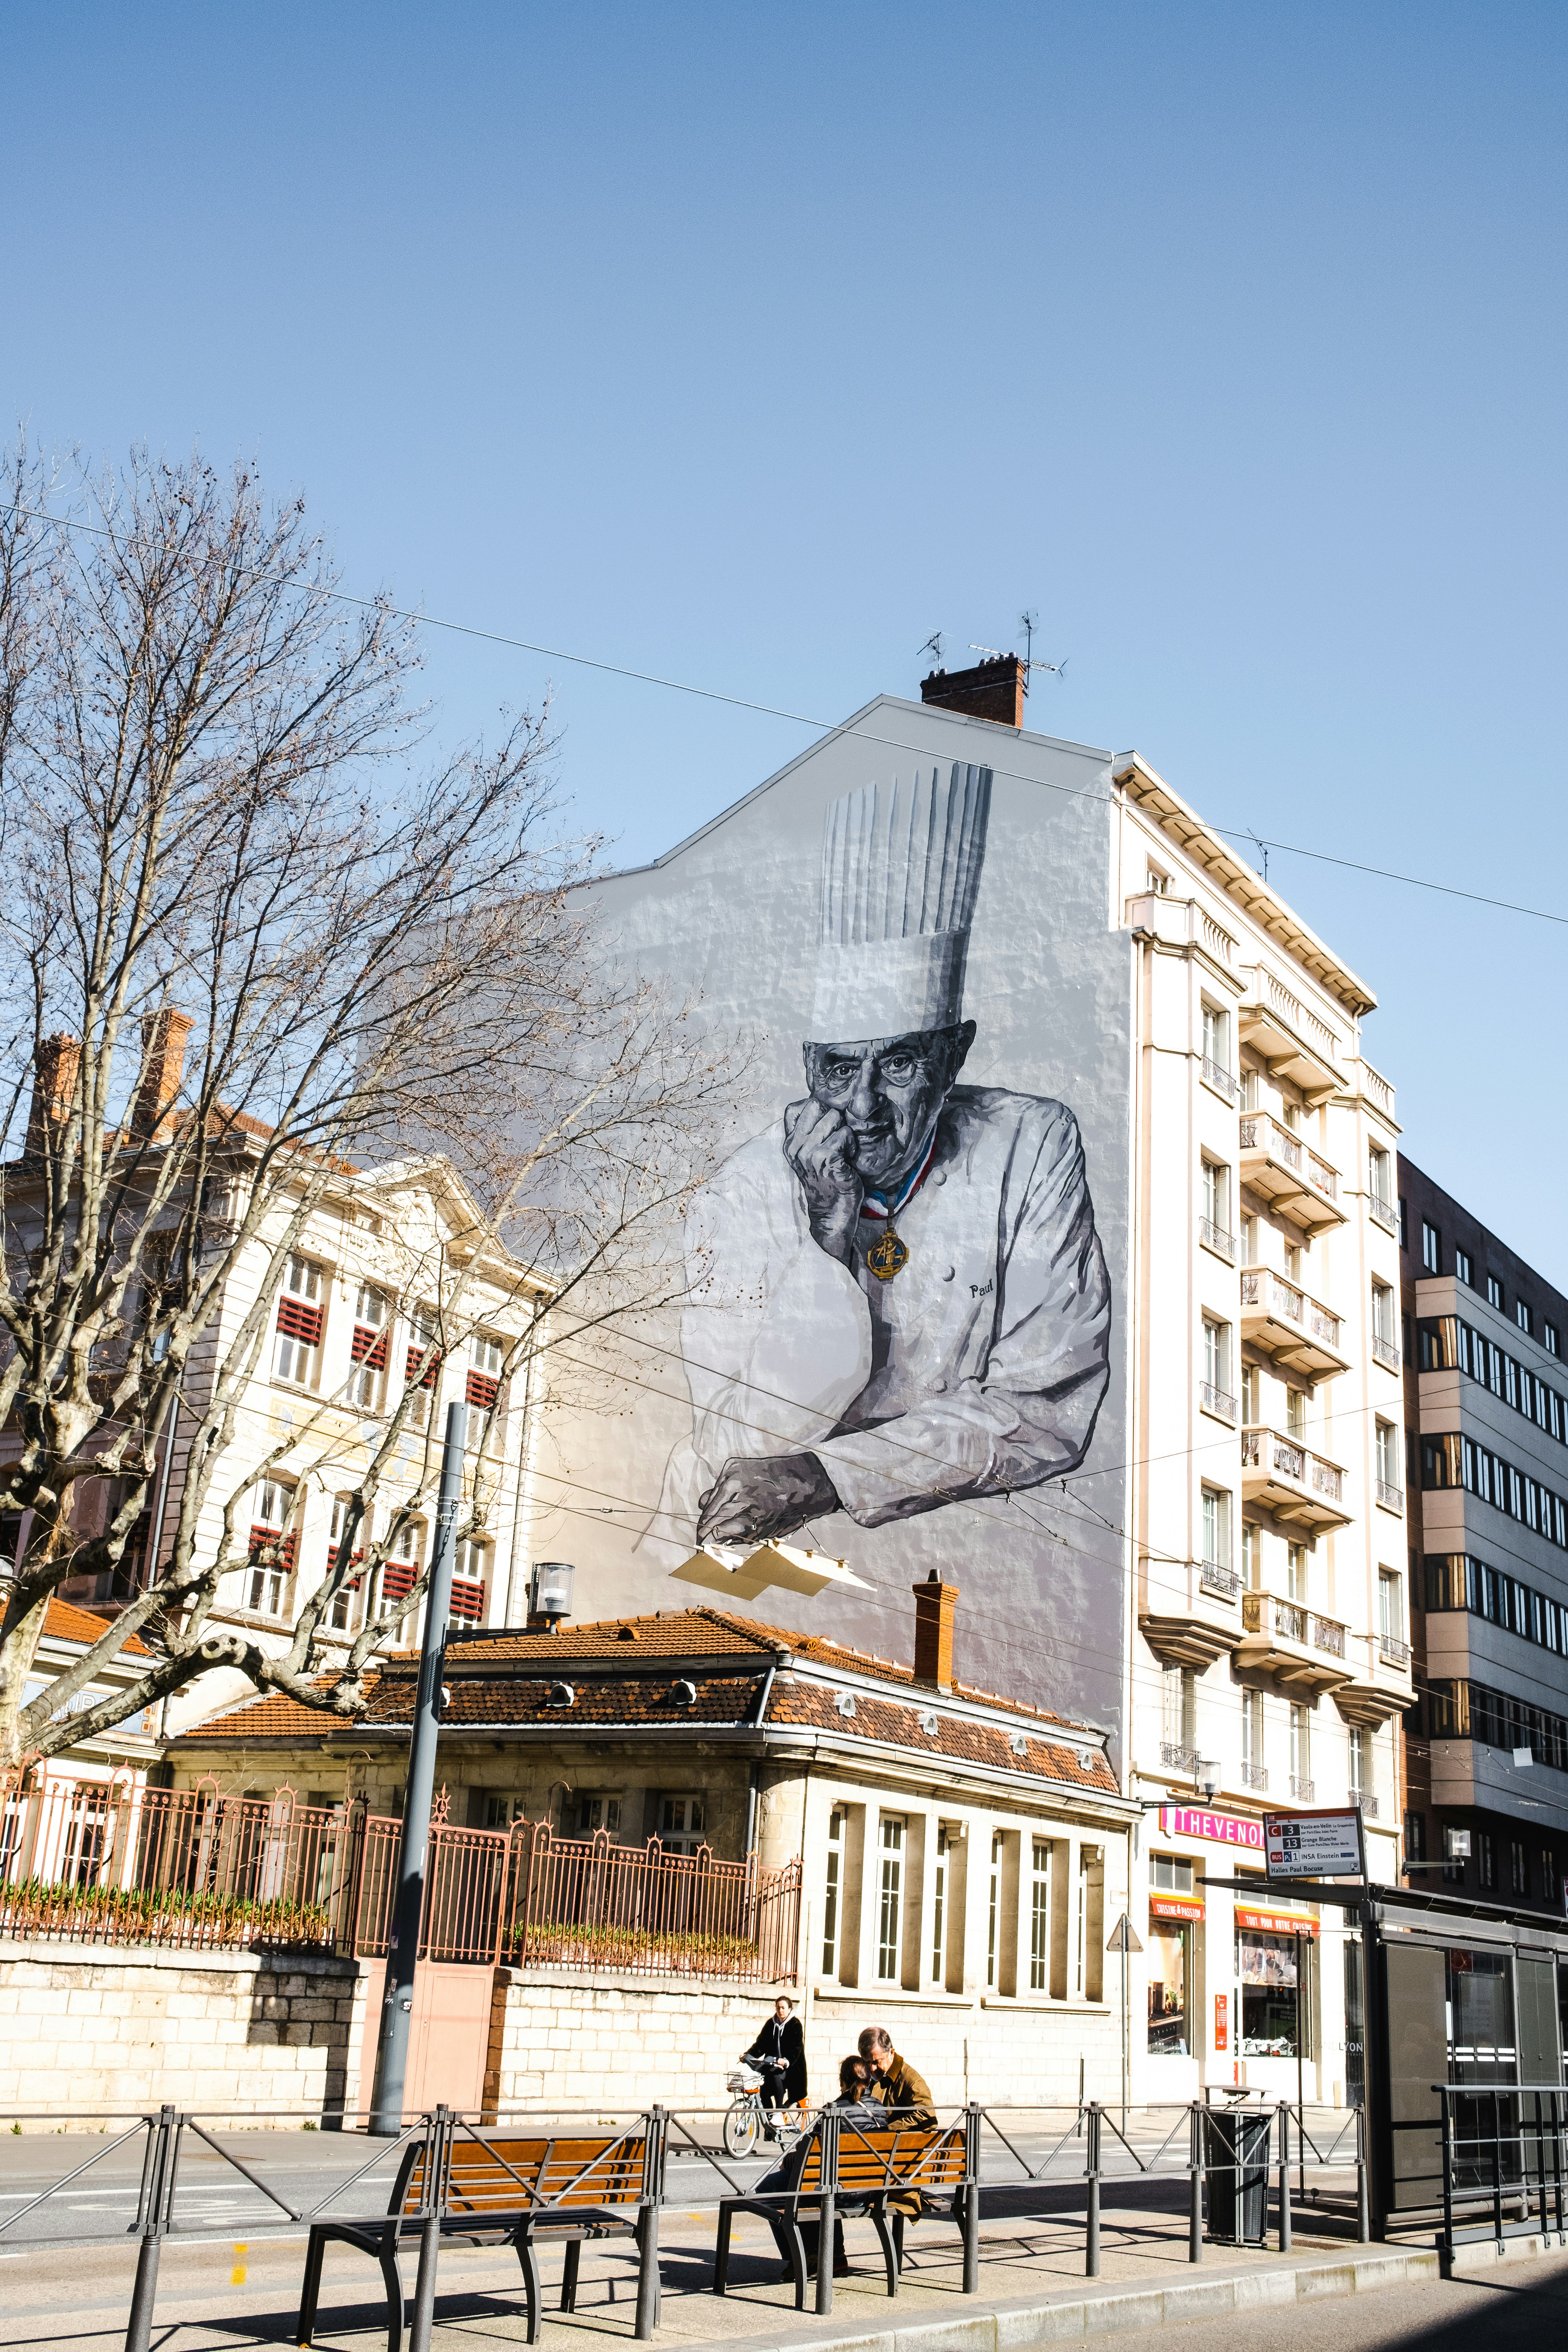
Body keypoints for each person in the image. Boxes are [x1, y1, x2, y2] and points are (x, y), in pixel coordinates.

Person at [650, 763, 1112, 1556]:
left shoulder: (1030, 1142)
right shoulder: (740, 1192)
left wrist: (829, 1476)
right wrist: (825, 1245)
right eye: (837, 1069)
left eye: (897, 1065)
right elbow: (746, 1434)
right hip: (765, 1572)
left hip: (965, 1560)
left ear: (953, 1054)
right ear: (806, 1063)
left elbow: (1044, 1408)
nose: (862, 1109)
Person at [743, 1994, 807, 2135]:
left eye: (783, 2008)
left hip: (791, 2069)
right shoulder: (771, 2024)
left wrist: (786, 2060)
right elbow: (761, 2044)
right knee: (764, 2093)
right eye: (778, 2008)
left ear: (790, 2009)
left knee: (778, 2076)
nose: (781, 2011)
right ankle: (771, 2123)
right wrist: (748, 2055)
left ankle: (778, 2113)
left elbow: (796, 2048)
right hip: (771, 2065)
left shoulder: (795, 2025)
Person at [858, 2024, 937, 2124]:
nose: (872, 2068)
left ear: (892, 2053)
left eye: (877, 2062)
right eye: (867, 2062)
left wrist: (887, 2131)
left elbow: (926, 2115)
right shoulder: (863, 2073)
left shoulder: (911, 2079)